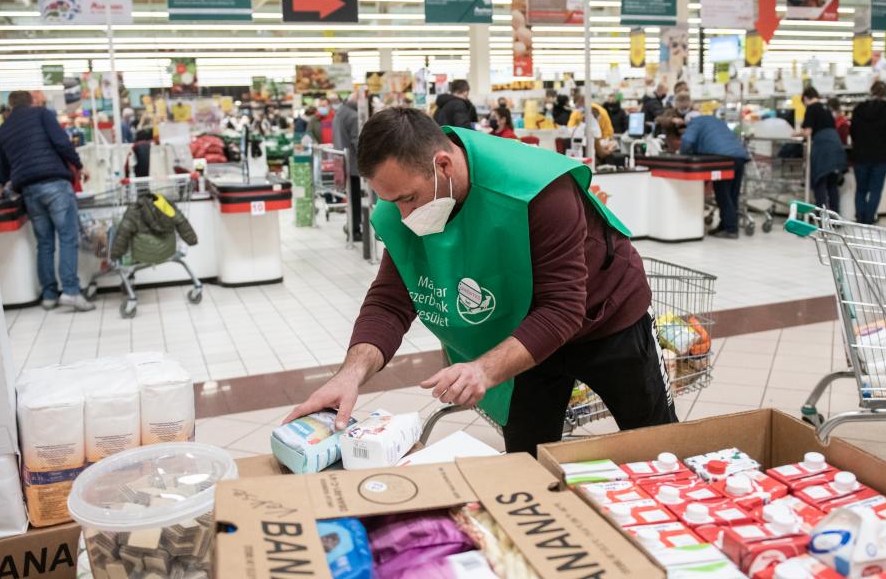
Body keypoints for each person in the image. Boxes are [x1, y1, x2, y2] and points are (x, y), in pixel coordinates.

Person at [284, 108, 677, 456]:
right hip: (520, 333)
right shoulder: (410, 201)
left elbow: (561, 307)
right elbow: (390, 300)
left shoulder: (537, 189)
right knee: (527, 458)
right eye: (393, 202)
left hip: (606, 317)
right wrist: (348, 376)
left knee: (653, 441)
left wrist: (482, 370)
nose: (403, 214)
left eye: (408, 198)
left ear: (443, 166)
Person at [0, 90, 95, 311]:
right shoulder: (42, 114)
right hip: (55, 183)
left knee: (45, 243)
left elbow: (4, 168)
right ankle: (70, 291)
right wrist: (78, 166)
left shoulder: (3, 130)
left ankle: (49, 295)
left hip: (29, 190)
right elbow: (62, 143)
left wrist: (0, 184)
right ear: (31, 103)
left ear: (10, 107)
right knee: (68, 237)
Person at [676, 96, 748, 239]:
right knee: (732, 194)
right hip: (739, 156)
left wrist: (683, 156)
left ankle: (731, 229)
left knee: (723, 194)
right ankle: (725, 225)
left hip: (723, 159)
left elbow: (687, 140)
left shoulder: (695, 122)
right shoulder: (716, 120)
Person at [849, 81, 886, 224]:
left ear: (871, 92)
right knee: (875, 189)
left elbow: (853, 133)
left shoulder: (858, 109)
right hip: (882, 156)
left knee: (861, 189)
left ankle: (860, 217)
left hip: (860, 155)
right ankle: (869, 218)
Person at [799, 87, 847, 211]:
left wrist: (796, 134)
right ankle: (835, 219)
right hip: (836, 149)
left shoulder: (811, 108)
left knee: (819, 183)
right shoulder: (826, 109)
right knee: (832, 184)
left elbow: (807, 132)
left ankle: (822, 218)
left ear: (805, 98)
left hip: (823, 150)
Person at [333, 92, 363, 241]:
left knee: (351, 198)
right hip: (353, 165)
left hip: (341, 162)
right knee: (356, 199)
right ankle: (355, 230)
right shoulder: (353, 116)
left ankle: (350, 226)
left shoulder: (340, 112)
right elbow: (357, 142)